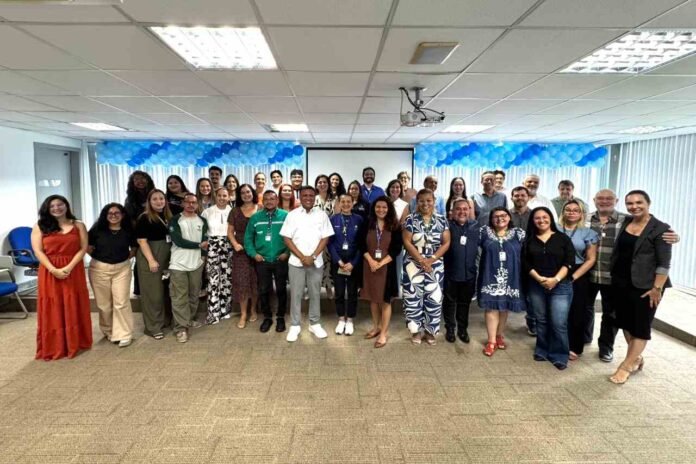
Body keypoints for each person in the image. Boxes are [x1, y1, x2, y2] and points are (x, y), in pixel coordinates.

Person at [584, 189, 679, 362]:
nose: (604, 201)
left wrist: (675, 237)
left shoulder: (626, 219)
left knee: (615, 316)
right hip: (596, 274)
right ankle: (587, 340)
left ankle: (609, 350)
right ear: (594, 200)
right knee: (596, 312)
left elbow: (655, 236)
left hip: (619, 277)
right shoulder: (587, 218)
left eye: (609, 198)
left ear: (616, 201)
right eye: (600, 198)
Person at [608, 190, 672, 384]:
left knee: (640, 326)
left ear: (648, 203)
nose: (634, 206)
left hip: (647, 286)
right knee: (625, 322)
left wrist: (657, 288)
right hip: (621, 281)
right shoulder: (626, 221)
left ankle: (626, 366)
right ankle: (636, 358)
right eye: (630, 203)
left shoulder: (661, 229)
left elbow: (664, 263)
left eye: (639, 202)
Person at [31, 195, 92, 360]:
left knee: (73, 303)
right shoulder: (40, 226)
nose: (56, 208)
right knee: (54, 306)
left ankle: (75, 342)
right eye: (52, 206)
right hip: (49, 271)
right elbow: (38, 251)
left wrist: (69, 267)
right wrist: (53, 270)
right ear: (47, 209)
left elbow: (83, 248)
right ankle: (55, 345)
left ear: (66, 206)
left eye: (60, 204)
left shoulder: (78, 225)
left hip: (73, 269)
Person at [280, 186, 334, 342]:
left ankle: (314, 323)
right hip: (296, 262)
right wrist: (302, 257)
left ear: (314, 197)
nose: (308, 198)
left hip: (316, 262)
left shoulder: (322, 215)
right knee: (296, 294)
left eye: (311, 195)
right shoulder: (292, 215)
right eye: (305, 195)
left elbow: (325, 238)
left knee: (315, 293)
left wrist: (313, 256)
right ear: (300, 197)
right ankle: (295, 325)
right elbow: (286, 238)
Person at [524, 207, 575, 370]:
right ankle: (542, 349)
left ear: (551, 218)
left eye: (544, 217)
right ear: (533, 221)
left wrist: (555, 279)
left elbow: (569, 261)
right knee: (541, 320)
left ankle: (559, 354)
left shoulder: (562, 238)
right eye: (537, 218)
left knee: (558, 322)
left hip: (561, 285)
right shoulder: (529, 240)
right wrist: (539, 279)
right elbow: (525, 263)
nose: (541, 220)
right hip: (536, 285)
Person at [403, 189, 451, 345]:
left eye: (429, 200)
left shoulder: (442, 220)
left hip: (435, 264)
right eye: (422, 200)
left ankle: (430, 331)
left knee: (434, 298)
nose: (425, 204)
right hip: (413, 263)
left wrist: (431, 260)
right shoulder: (410, 219)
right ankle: (415, 331)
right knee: (413, 298)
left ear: (434, 201)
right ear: (417, 202)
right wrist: (421, 260)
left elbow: (446, 242)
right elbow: (407, 241)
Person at [477, 207, 526, 356]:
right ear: (491, 219)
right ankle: (491, 341)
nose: (500, 219)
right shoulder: (484, 232)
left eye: (503, 215)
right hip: (489, 275)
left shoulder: (519, 234)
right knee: (491, 307)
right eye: (496, 216)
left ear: (509, 217)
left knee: (504, 306)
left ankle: (499, 335)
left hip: (512, 275)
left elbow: (527, 253)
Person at [87, 203, 136, 348]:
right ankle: (109, 331)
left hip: (122, 269)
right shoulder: (97, 229)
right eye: (110, 213)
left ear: (123, 215)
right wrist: (98, 258)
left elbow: (134, 247)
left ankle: (124, 334)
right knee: (104, 305)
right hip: (99, 269)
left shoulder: (128, 229)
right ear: (105, 215)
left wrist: (128, 256)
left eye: (117, 213)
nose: (113, 215)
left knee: (121, 302)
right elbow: (87, 246)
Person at [245, 190, 289, 333]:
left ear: (277, 201)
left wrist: (287, 253)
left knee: (281, 289)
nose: (269, 201)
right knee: (264, 290)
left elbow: (293, 236)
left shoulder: (285, 216)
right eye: (266, 199)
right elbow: (248, 238)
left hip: (280, 259)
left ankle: (280, 317)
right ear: (262, 201)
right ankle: (267, 317)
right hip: (262, 260)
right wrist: (254, 254)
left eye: (272, 199)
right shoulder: (255, 218)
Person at [558, 200, 598, 361]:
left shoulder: (588, 233)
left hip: (578, 273)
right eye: (568, 209)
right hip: (556, 272)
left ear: (581, 214)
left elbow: (591, 259)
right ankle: (556, 344)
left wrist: (574, 276)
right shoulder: (554, 228)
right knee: (556, 311)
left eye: (576, 210)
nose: (571, 212)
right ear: (563, 212)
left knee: (576, 311)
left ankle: (574, 346)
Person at [360, 196, 402, 348]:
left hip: (386, 267)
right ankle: (376, 327)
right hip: (369, 266)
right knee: (373, 299)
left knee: (385, 301)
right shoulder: (367, 223)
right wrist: (371, 261)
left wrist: (380, 263)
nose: (381, 210)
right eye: (378, 207)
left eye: (384, 207)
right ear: (374, 208)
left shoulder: (395, 226)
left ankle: (383, 333)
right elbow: (361, 244)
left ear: (389, 209)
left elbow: (396, 249)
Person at [168, 193, 208, 343]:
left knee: (194, 295)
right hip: (178, 264)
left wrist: (203, 256)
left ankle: (188, 320)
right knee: (179, 297)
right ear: (183, 204)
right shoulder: (175, 220)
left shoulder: (202, 220)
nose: (191, 205)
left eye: (194, 202)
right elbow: (178, 240)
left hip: (196, 263)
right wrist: (198, 245)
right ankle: (180, 328)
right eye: (188, 202)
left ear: (197, 205)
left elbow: (205, 239)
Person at [135, 189, 172, 340]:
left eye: (161, 198)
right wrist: (151, 260)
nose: (159, 201)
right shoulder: (144, 218)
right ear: (149, 202)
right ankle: (153, 327)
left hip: (166, 255)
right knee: (153, 294)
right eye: (155, 199)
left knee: (164, 291)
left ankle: (164, 321)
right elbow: (141, 241)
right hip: (151, 256)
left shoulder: (167, 216)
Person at [443, 199, 481, 344]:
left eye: (465, 209)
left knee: (465, 303)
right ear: (452, 211)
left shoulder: (476, 227)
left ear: (470, 211)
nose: (462, 212)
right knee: (449, 303)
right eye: (458, 209)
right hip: (451, 273)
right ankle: (450, 329)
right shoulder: (446, 227)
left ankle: (462, 330)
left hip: (469, 274)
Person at [329, 194, 364, 336]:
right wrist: (338, 260)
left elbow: (362, 244)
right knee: (338, 292)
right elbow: (329, 243)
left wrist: (353, 263)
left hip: (353, 262)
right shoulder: (333, 219)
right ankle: (341, 319)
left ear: (353, 203)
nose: (345, 204)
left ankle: (350, 319)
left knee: (352, 293)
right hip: (338, 262)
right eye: (342, 201)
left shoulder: (359, 219)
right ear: (339, 203)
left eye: (348, 201)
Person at [228, 184, 259, 328]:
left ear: (253, 193)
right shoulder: (234, 211)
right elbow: (230, 232)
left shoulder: (261, 209)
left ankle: (253, 310)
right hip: (240, 251)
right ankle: (243, 314)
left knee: (256, 281)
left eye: (248, 192)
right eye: (243, 193)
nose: (246, 195)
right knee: (242, 282)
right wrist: (235, 244)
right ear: (239, 195)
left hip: (258, 249)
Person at [201, 187, 233, 325]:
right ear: (215, 196)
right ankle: (213, 313)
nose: (222, 198)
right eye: (219, 195)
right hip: (212, 245)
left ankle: (225, 310)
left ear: (229, 197)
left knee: (227, 278)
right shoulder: (207, 212)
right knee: (213, 279)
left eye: (224, 195)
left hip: (229, 245)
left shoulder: (233, 211)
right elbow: (202, 231)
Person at [314, 174, 335, 299]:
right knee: (314, 263)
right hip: (314, 237)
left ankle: (328, 287)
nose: (322, 184)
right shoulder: (312, 199)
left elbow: (337, 216)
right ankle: (312, 289)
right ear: (316, 185)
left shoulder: (334, 199)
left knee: (328, 262)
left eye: (325, 182)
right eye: (320, 182)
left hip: (329, 236)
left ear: (328, 184)